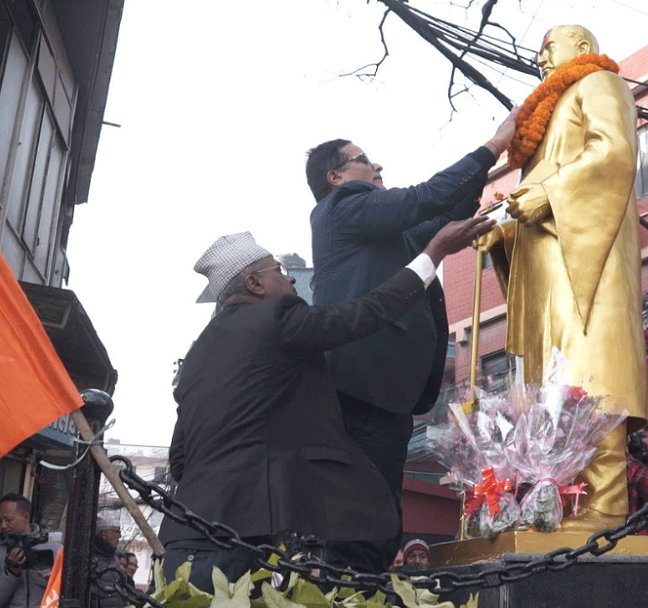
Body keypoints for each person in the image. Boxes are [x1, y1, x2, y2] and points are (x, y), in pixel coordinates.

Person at [159, 220, 494, 589]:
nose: (289, 281)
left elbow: (179, 459)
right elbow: (368, 313)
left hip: (181, 540)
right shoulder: (278, 318)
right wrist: (434, 253)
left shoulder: (197, 357)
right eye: (280, 272)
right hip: (238, 546)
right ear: (254, 283)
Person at [306, 110, 518, 565]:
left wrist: (480, 176)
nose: (378, 167)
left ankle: (367, 582)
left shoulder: (380, 231)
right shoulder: (344, 206)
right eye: (365, 160)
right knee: (365, 520)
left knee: (380, 511)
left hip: (385, 394)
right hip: (362, 387)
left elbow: (443, 214)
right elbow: (423, 199)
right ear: (336, 176)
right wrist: (494, 145)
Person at [476, 24, 648, 533]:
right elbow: (533, 198)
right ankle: (558, 500)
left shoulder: (599, 83)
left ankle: (609, 501)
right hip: (548, 263)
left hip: (589, 259)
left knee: (591, 370)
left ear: (583, 48)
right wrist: (504, 235)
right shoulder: (545, 121)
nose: (541, 59)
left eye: (550, 48)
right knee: (550, 381)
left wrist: (548, 193)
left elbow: (614, 151)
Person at [0, 494, 58, 608]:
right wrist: (11, 572)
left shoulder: (53, 549)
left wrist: (52, 580)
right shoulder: (0, 553)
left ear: (26, 517)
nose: (4, 525)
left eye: (8, 520)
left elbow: (67, 593)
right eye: (0, 520)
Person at [90, 513, 124, 608]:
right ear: (104, 534)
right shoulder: (90, 558)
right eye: (116, 531)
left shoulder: (115, 559)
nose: (119, 536)